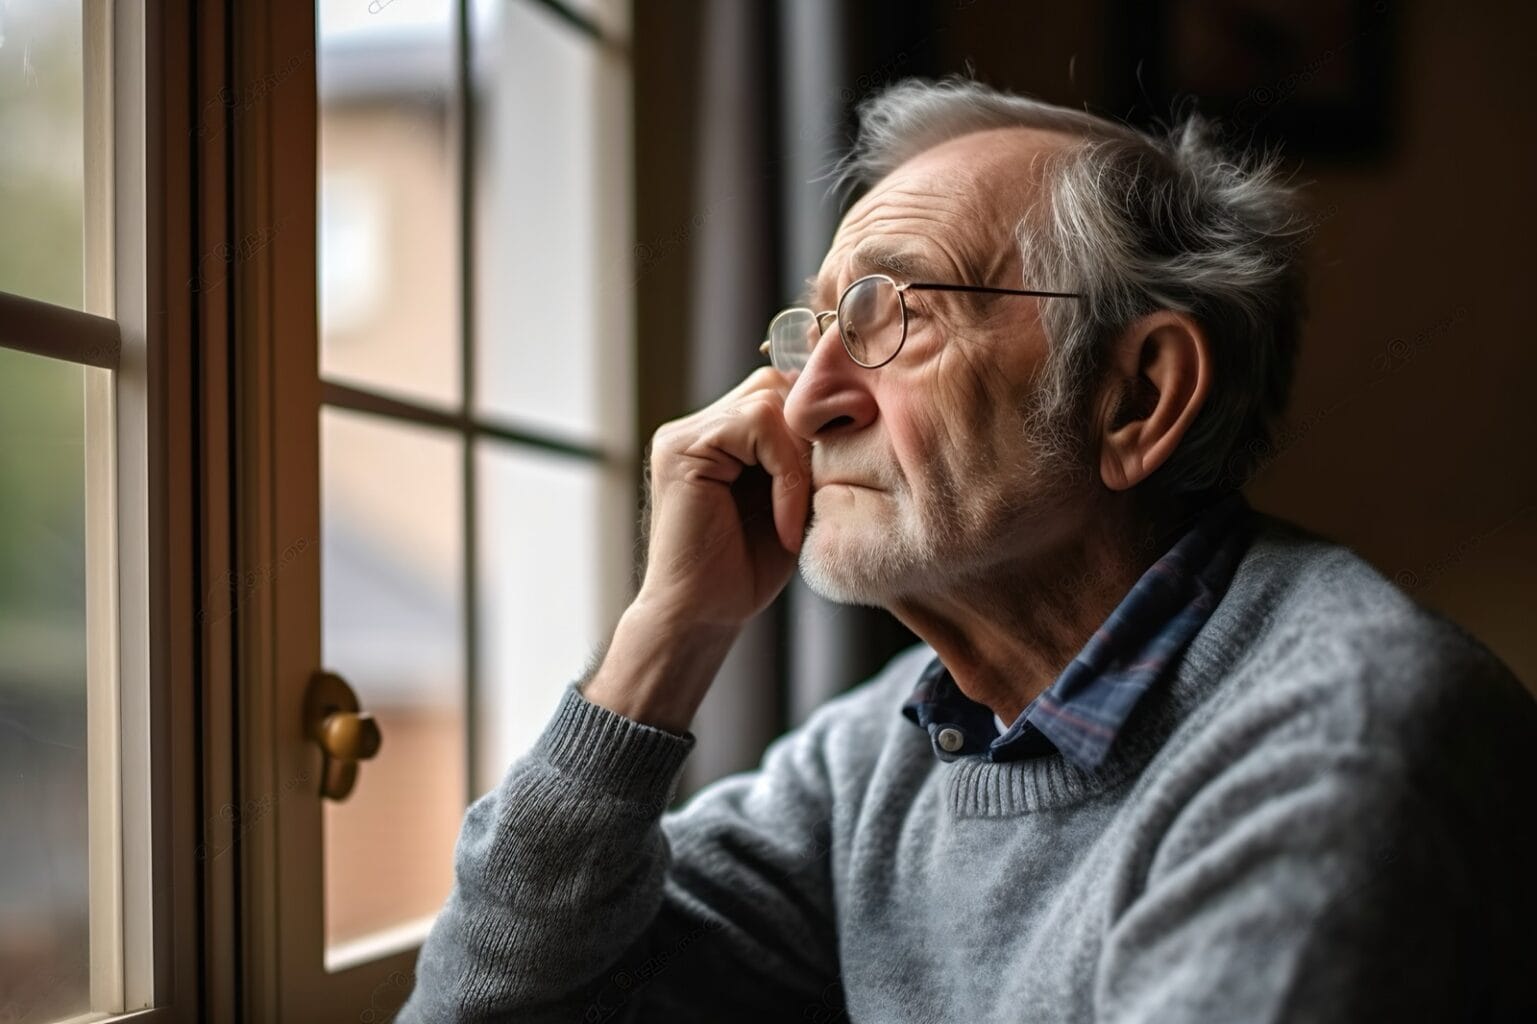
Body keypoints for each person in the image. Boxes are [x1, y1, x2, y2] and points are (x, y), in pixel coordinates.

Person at [397, 76, 1537, 1022]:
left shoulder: (1339, 741)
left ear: (1136, 395)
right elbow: (483, 1006)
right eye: (813, 329)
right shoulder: (890, 752)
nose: (800, 406)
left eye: (893, 316)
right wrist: (667, 637)